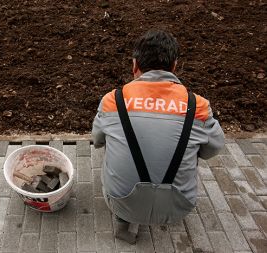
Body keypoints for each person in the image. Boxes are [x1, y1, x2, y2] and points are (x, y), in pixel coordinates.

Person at [92, 30, 225, 244]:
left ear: (134, 65)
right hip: (178, 208)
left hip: (122, 204)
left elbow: (97, 141)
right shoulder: (197, 106)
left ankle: (124, 218)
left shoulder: (113, 101)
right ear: (174, 66)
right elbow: (212, 150)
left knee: (110, 145)